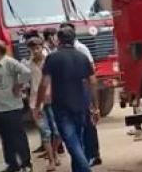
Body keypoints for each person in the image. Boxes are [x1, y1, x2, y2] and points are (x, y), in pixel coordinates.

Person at [37, 26, 100, 172]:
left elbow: (44, 83)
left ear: (58, 40)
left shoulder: (52, 57)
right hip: (81, 105)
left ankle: (85, 169)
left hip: (61, 105)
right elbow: (93, 82)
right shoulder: (82, 57)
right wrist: (95, 107)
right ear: (73, 39)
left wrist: (38, 105)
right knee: (77, 139)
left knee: (72, 142)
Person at [60, 22, 102, 166]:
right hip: (73, 94)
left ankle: (93, 154)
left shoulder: (81, 49)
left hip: (83, 91)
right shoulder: (62, 52)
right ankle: (86, 156)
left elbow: (91, 74)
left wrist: (93, 100)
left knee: (89, 125)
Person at [0, 39, 32, 172]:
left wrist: (18, 85)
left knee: (17, 136)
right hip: (0, 107)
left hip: (11, 106)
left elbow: (26, 72)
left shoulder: (9, 62)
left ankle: (26, 163)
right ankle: (12, 163)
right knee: (6, 137)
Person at [23, 36, 60, 172]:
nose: (36, 51)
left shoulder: (51, 60)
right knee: (45, 131)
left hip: (53, 100)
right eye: (33, 49)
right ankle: (51, 160)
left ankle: (55, 152)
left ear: (42, 46)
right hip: (36, 103)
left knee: (57, 131)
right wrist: (30, 104)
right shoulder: (28, 65)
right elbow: (26, 86)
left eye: (38, 48)